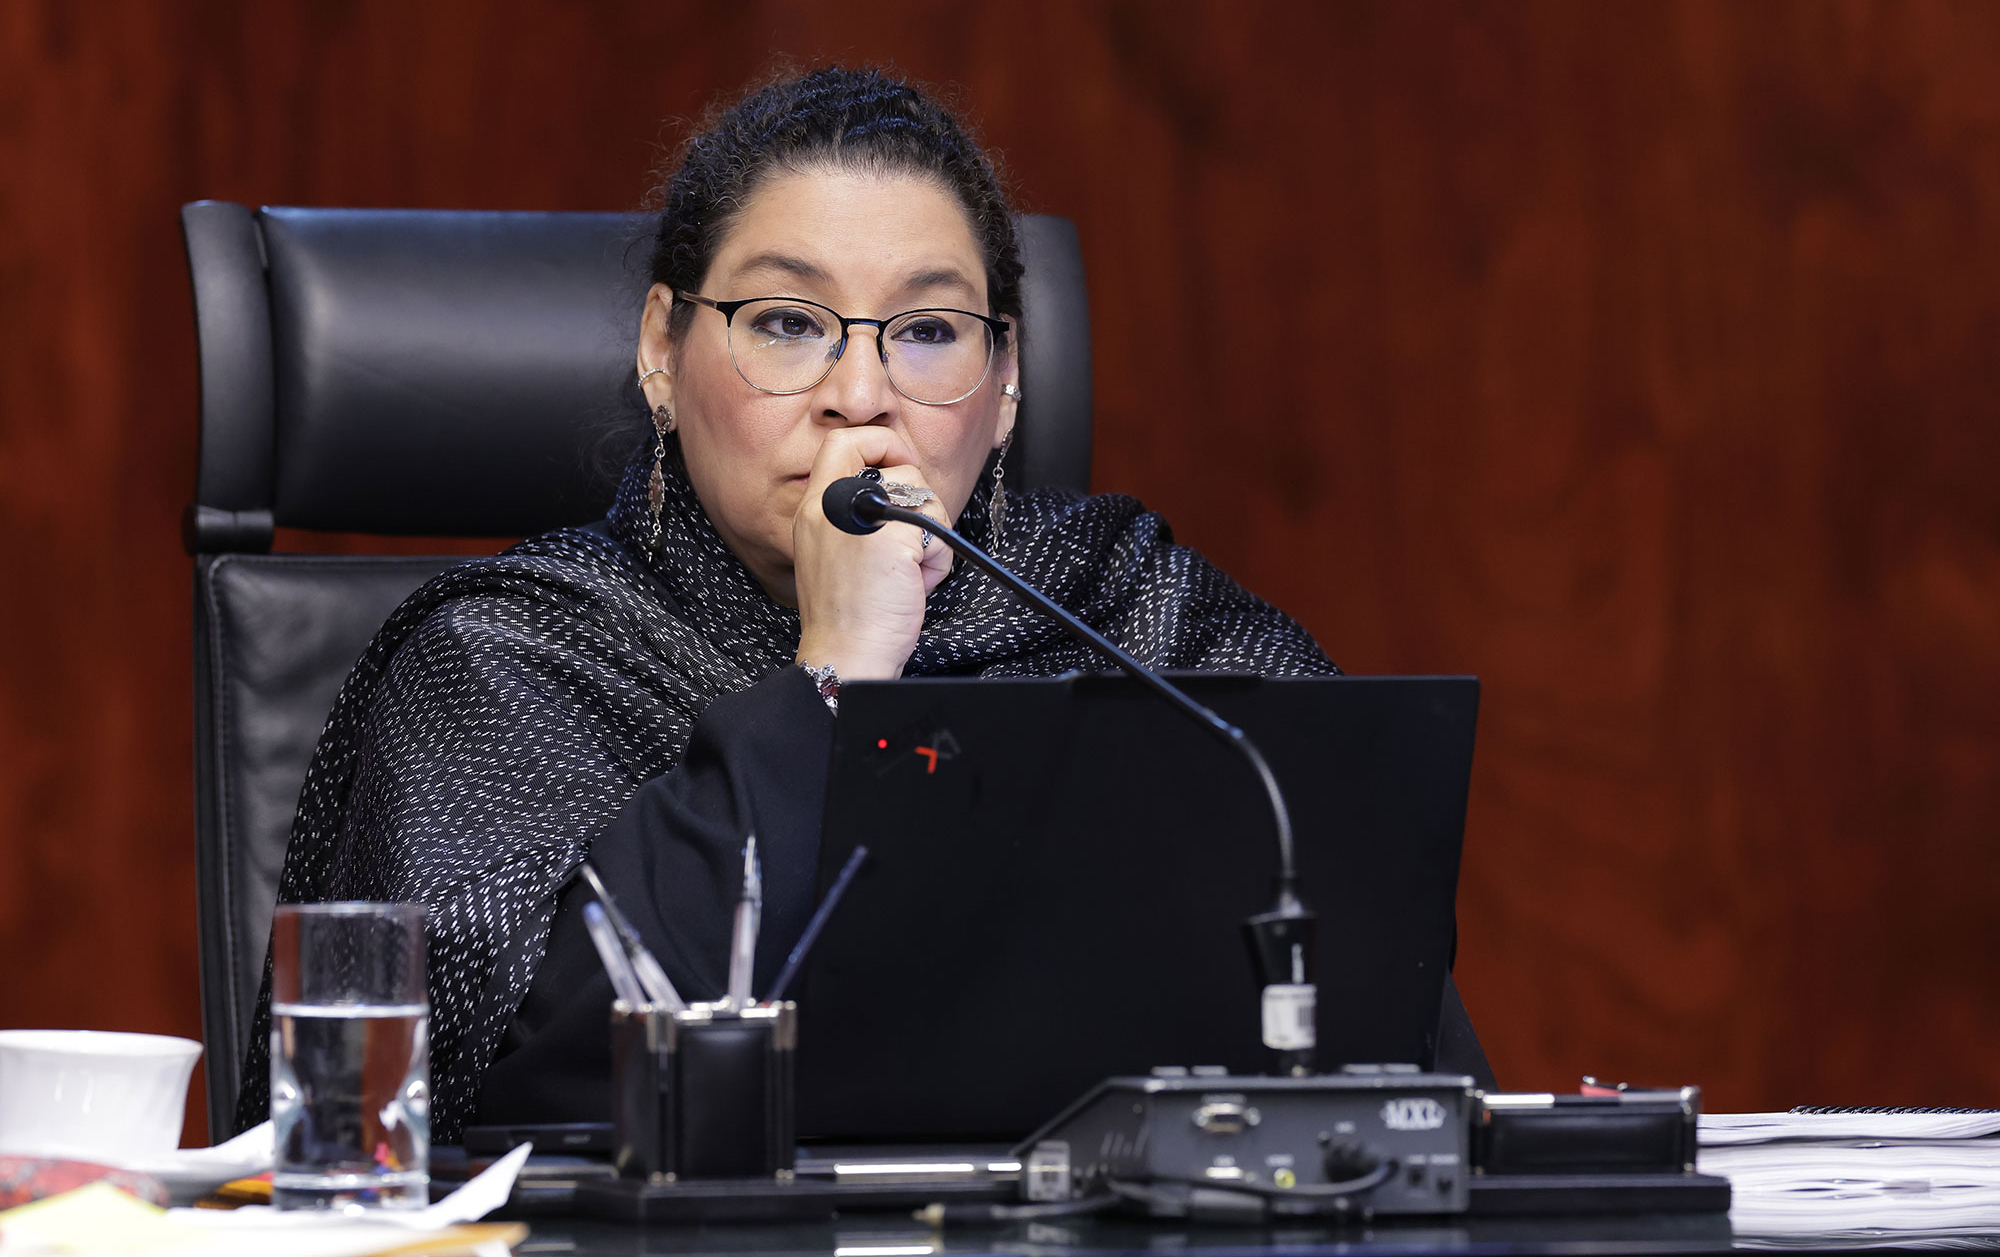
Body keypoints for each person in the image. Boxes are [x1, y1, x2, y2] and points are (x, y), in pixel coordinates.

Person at [235, 66, 1371, 1143]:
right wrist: (836, 670)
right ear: (662, 351)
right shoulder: (505, 656)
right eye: (788, 322)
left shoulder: (1128, 610)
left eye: (928, 331)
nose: (861, 395)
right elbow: (525, 1076)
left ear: (1007, 382)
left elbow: (1366, 968)